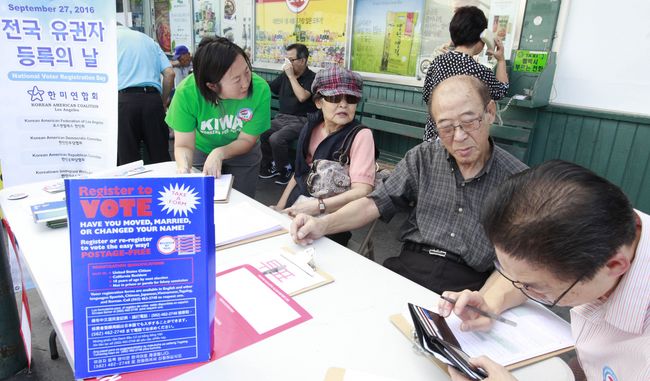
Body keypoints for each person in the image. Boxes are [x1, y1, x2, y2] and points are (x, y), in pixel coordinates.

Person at [290, 75, 527, 293]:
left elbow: (522, 263)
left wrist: (486, 299)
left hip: (469, 282)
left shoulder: (517, 180)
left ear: (490, 112)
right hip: (411, 265)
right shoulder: (423, 158)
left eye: (469, 122)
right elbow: (374, 203)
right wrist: (322, 224)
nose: (459, 137)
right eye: (445, 127)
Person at [439, 160, 650, 381]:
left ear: (614, 266)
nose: (521, 286)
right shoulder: (608, 223)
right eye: (505, 269)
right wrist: (490, 303)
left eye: (533, 287)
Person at [273, 67, 376, 247]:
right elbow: (299, 173)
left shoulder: (361, 135)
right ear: (319, 102)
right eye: (335, 98)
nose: (343, 104)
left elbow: (362, 191)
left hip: (333, 220)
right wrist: (280, 208)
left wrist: (318, 206)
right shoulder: (310, 127)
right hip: (297, 205)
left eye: (351, 99)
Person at [165, 37, 270, 198]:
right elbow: (184, 145)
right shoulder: (187, 93)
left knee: (241, 204)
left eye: (247, 72)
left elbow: (247, 140)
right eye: (237, 79)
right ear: (212, 85)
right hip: (202, 149)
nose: (246, 83)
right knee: (203, 201)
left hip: (244, 154)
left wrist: (220, 152)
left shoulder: (260, 89)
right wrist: (184, 168)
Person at [422, 6, 509, 142]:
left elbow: (427, 96)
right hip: (461, 141)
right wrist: (501, 60)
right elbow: (501, 91)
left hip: (434, 138)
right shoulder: (480, 71)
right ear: (483, 36)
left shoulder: (437, 62)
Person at [259, 44, 318, 185]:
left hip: (302, 120)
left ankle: (285, 169)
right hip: (281, 118)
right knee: (261, 131)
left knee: (276, 138)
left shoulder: (312, 78)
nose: (288, 64)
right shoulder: (285, 76)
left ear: (303, 60)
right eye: (287, 59)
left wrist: (291, 77)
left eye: (291, 60)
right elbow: (270, 87)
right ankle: (271, 164)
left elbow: (302, 97)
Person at [116, 24, 174, 165]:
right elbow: (169, 74)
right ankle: (165, 186)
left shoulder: (108, 41)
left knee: (128, 161)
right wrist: (162, 102)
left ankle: (134, 187)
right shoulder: (148, 40)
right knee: (160, 157)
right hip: (152, 101)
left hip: (123, 101)